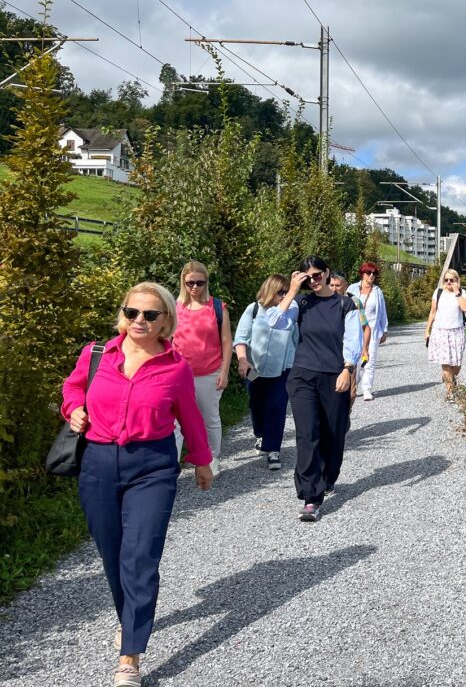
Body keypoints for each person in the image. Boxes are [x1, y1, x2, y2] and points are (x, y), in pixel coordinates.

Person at [63, 282, 213, 687]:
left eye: (149, 315)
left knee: (140, 558)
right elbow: (72, 387)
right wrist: (73, 409)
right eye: (132, 313)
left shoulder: (175, 366)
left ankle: (130, 654)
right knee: (113, 556)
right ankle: (129, 619)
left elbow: (190, 416)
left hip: (153, 466)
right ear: (123, 315)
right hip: (97, 463)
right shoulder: (97, 354)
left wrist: (201, 461)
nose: (139, 321)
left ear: (166, 320)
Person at [267, 257, 361, 522]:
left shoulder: (345, 304)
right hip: (303, 376)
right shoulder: (300, 304)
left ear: (327, 273)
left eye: (317, 274)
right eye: (308, 277)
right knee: (307, 435)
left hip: (335, 376)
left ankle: (328, 476)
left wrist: (348, 369)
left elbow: (353, 339)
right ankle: (311, 496)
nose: (314, 280)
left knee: (334, 433)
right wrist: (293, 291)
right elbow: (273, 322)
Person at [232, 274, 299, 471]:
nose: (284, 296)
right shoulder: (253, 310)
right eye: (281, 292)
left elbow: (297, 340)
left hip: (283, 370)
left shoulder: (291, 313)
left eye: (287, 293)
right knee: (256, 404)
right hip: (255, 370)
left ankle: (273, 450)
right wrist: (243, 361)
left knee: (277, 407)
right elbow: (241, 338)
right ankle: (260, 433)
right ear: (270, 290)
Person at [173, 260, 232, 478]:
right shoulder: (173, 308)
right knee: (174, 423)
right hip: (178, 375)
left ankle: (212, 459)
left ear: (206, 282)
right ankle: (172, 464)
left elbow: (227, 341)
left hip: (209, 372)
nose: (195, 287)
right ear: (183, 283)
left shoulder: (217, 307)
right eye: (190, 283)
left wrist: (225, 371)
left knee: (209, 418)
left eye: (200, 282)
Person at [424, 270, 466, 401]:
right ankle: (450, 392)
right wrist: (427, 330)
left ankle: (451, 378)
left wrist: (457, 292)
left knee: (456, 363)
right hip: (441, 331)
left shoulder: (462, 293)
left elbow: (465, 308)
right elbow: (432, 312)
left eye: (452, 280)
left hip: (457, 332)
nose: (449, 282)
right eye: (446, 280)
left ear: (457, 280)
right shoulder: (438, 293)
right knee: (445, 362)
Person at [329, 273, 371, 413]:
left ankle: (345, 416)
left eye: (337, 285)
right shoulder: (323, 302)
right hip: (329, 352)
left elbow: (365, 327)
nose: (334, 288)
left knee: (351, 392)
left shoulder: (354, 302)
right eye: (331, 285)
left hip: (349, 352)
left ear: (345, 286)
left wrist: (365, 348)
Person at [347, 262, 389, 401]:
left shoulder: (377, 291)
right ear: (362, 274)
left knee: (369, 359)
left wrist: (384, 329)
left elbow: (382, 311)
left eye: (374, 274)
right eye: (369, 273)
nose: (372, 276)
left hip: (373, 329)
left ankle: (367, 389)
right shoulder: (352, 288)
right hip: (354, 329)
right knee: (355, 359)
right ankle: (354, 384)